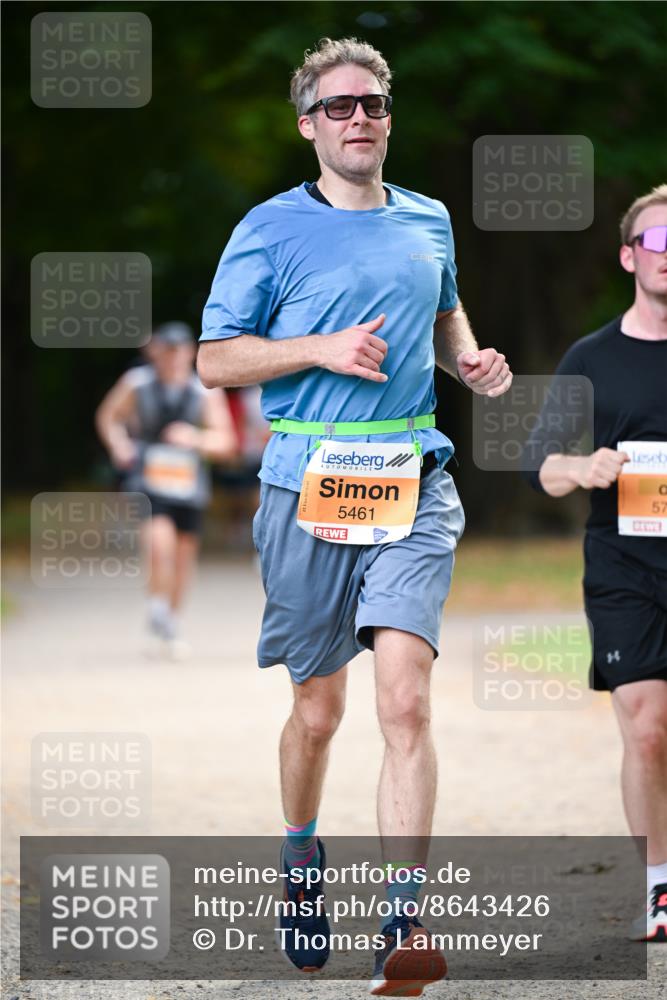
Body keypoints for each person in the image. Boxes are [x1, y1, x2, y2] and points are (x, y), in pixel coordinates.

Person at [198, 38, 512, 995]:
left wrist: (470, 358)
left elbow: (446, 310)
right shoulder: (268, 228)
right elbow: (217, 362)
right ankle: (301, 855)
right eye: (337, 107)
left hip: (413, 478)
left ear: (388, 116)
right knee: (319, 710)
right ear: (308, 125)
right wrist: (318, 349)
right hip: (306, 486)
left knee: (404, 700)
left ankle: (402, 921)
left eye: (371, 104)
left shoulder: (427, 219)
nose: (358, 119)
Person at [526, 184, 667, 942]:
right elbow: (538, 468)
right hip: (623, 565)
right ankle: (660, 887)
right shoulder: (591, 357)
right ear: (628, 257)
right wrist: (583, 470)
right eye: (656, 241)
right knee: (646, 727)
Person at [96, 321, 236, 658]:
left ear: (189, 353)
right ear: (154, 352)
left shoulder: (205, 391)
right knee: (160, 545)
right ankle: (157, 604)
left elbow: (227, 442)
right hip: (148, 480)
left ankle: (170, 623)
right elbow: (108, 416)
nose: (171, 358)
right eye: (165, 351)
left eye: (178, 351)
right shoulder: (136, 383)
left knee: (184, 559)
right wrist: (119, 445)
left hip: (188, 485)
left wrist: (195, 438)